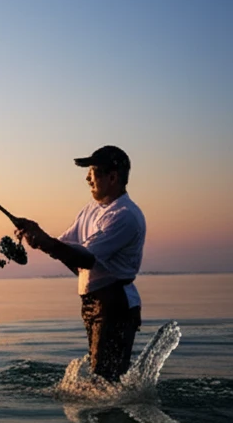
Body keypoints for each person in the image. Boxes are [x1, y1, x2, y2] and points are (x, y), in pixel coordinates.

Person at [14, 145, 146, 382]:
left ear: (112, 177)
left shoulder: (125, 215)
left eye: (92, 172)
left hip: (114, 304)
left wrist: (45, 242)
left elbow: (85, 257)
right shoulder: (90, 210)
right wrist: (37, 236)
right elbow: (65, 248)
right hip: (93, 302)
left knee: (105, 382)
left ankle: (116, 414)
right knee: (103, 380)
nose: (87, 178)